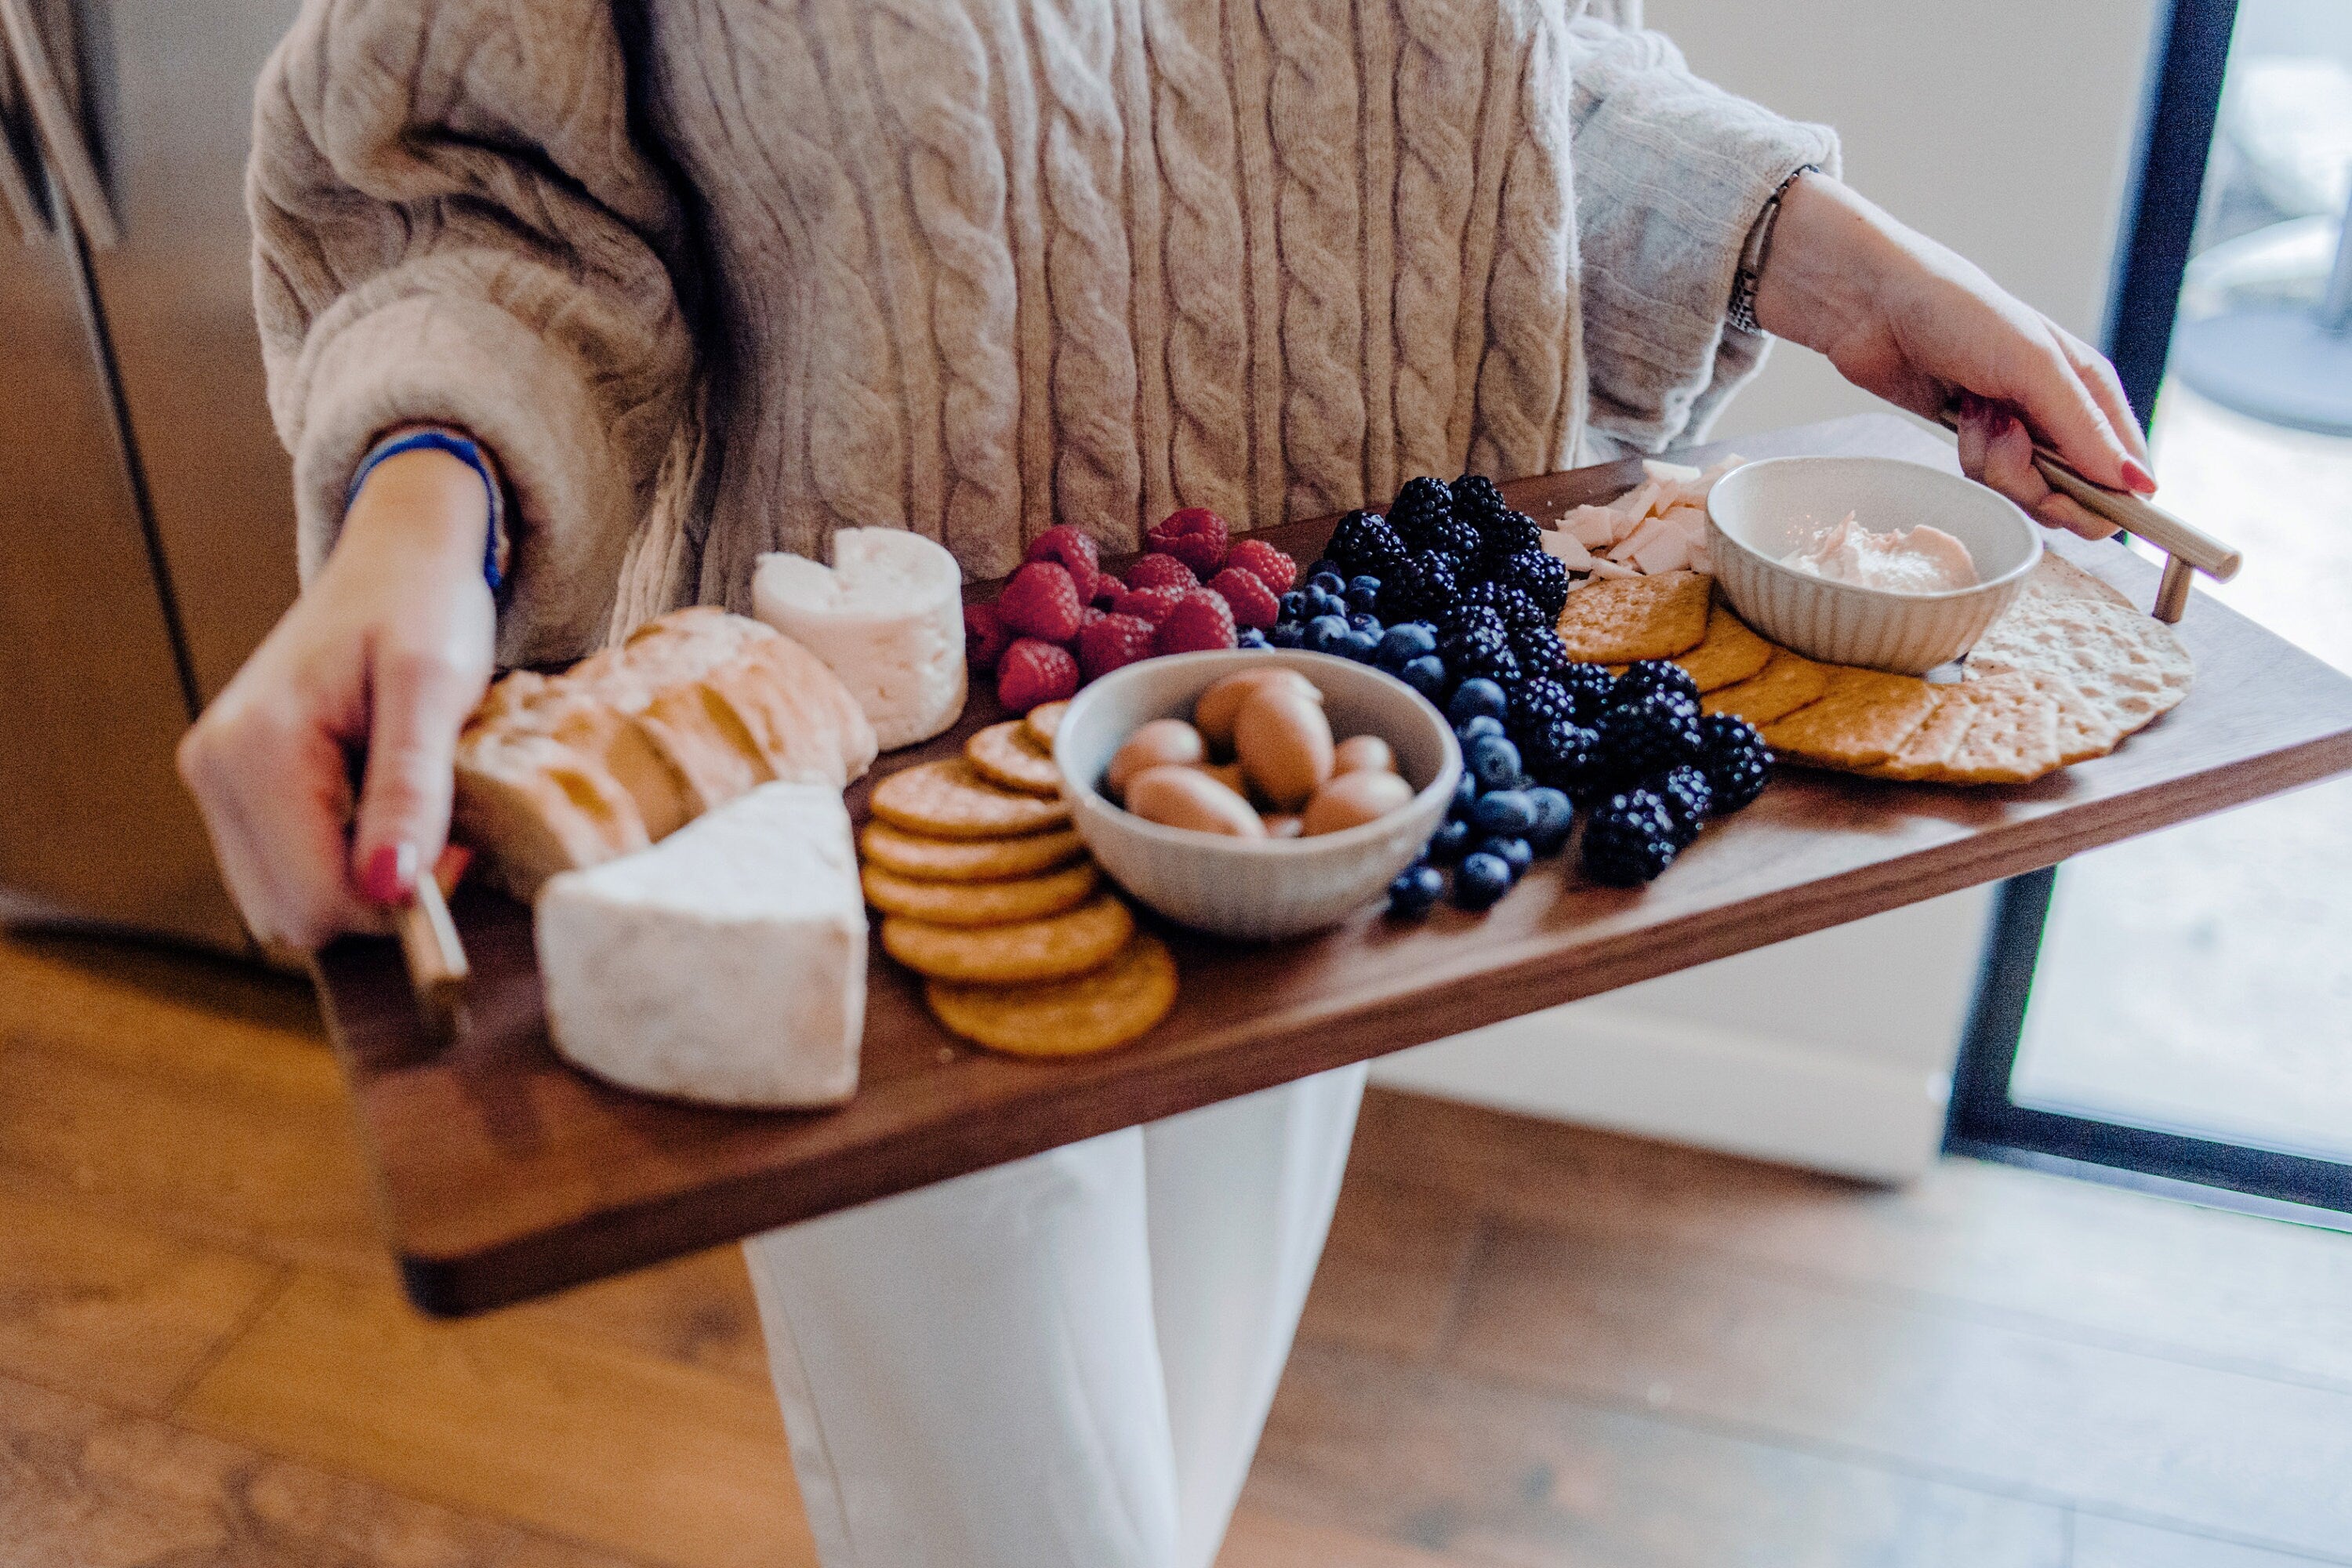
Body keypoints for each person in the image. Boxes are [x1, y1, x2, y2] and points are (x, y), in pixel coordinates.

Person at [179, 2, 2158, 1563]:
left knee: (1156, 1487)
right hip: (875, 791)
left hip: (1335, 728)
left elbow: (1514, 86)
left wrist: (1822, 255)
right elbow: (479, 183)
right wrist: (426, 505)